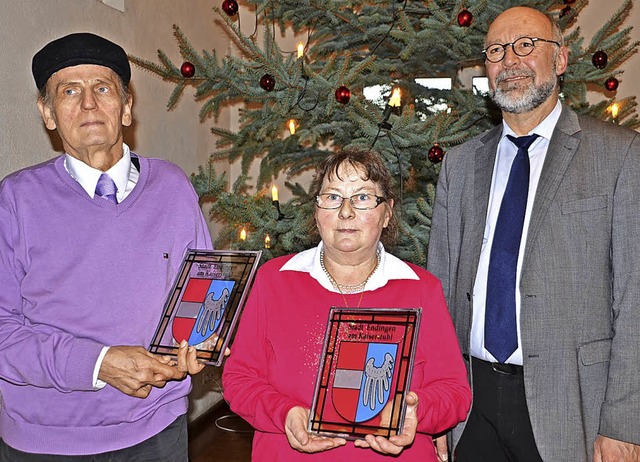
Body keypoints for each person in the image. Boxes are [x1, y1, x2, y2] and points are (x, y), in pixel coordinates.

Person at [427, 6, 640, 462]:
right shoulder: (460, 166)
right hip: (471, 405)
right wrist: (436, 407)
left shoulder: (620, 157)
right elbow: (440, 292)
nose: (510, 60)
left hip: (573, 407)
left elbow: (636, 297)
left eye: (526, 45)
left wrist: (624, 422)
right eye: (496, 51)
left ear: (560, 60)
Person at [0, 33, 209, 460]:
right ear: (48, 114)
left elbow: (204, 291)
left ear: (127, 107)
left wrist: (204, 341)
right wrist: (97, 363)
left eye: (102, 88)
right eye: (69, 91)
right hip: (48, 441)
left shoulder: (172, 186)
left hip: (159, 428)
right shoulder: (15, 201)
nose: (89, 104)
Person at [222, 150, 471, 461]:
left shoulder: (421, 288)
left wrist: (417, 411)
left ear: (387, 212)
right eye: (333, 197)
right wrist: (283, 413)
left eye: (363, 197)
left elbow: (454, 391)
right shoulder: (274, 281)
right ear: (316, 211)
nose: (346, 212)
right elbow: (238, 379)